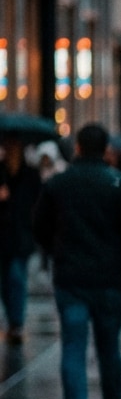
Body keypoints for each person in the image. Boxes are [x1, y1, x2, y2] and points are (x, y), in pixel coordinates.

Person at [33, 123, 121, 399]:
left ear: (78, 147)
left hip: (71, 279)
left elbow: (39, 226)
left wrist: (57, 253)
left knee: (73, 346)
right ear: (106, 149)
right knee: (109, 348)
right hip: (109, 279)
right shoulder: (119, 183)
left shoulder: (58, 184)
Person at [0, 137, 43, 344]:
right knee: (4, 280)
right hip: (4, 233)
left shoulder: (30, 174)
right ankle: (11, 318)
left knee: (16, 277)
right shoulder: (1, 172)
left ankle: (16, 322)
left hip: (21, 234)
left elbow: (38, 202)